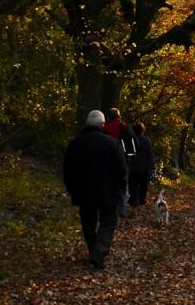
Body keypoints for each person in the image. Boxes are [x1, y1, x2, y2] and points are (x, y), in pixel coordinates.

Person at [63, 110, 128, 269]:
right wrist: (122, 187)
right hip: (109, 191)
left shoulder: (75, 143)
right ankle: (99, 251)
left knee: (88, 223)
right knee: (109, 222)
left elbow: (68, 170)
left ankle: (94, 250)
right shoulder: (112, 143)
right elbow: (122, 168)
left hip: (84, 192)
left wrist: (72, 189)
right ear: (102, 124)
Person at [103, 107, 135, 216]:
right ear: (118, 116)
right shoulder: (124, 127)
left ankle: (109, 207)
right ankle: (121, 209)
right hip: (123, 160)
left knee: (109, 183)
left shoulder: (105, 128)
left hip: (108, 161)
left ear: (108, 117)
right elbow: (134, 142)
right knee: (122, 184)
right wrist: (130, 156)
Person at [128, 122, 155, 206]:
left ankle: (133, 199)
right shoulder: (146, 140)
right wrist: (152, 166)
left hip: (133, 167)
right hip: (144, 168)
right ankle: (142, 200)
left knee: (132, 184)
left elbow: (128, 153)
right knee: (143, 185)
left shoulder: (130, 140)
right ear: (142, 130)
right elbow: (150, 154)